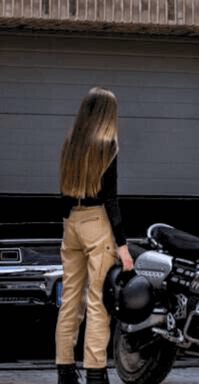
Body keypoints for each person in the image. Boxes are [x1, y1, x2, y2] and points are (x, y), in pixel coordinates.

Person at [55, 87, 133, 384]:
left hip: (71, 222)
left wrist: (71, 222)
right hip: (97, 222)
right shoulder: (107, 144)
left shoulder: (70, 143)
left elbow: (62, 192)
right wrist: (123, 246)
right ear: (106, 114)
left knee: (70, 301)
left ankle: (64, 370)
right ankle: (96, 374)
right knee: (98, 302)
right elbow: (111, 199)